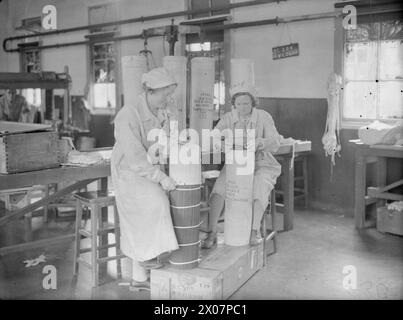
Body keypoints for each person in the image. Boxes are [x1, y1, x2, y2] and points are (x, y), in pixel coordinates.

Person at [111, 67, 179, 289]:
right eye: (164, 95)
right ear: (150, 91)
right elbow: (136, 158)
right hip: (130, 171)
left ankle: (140, 278)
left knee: (156, 203)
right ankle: (144, 263)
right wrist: (160, 177)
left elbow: (166, 140)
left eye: (170, 95)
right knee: (154, 203)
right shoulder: (128, 114)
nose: (168, 99)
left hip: (149, 167)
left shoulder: (162, 110)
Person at [203, 84, 282, 248]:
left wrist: (260, 142)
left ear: (253, 103)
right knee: (219, 190)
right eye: (238, 104)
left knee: (259, 187)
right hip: (237, 165)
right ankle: (212, 231)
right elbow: (214, 136)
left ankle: (254, 231)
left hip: (262, 163)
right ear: (234, 104)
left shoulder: (263, 116)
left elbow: (275, 142)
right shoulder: (228, 118)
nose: (242, 107)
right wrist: (219, 143)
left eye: (246, 103)